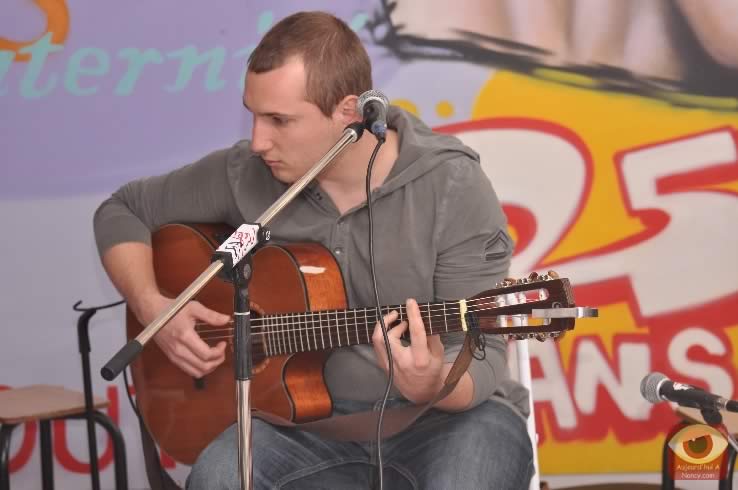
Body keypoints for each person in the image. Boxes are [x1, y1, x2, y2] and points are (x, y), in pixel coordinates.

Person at [94, 11, 532, 489]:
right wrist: (153, 307)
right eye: (253, 114)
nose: (258, 141)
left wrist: (432, 384)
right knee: (218, 478)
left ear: (348, 112)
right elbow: (123, 209)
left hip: (443, 421)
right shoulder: (247, 175)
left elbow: (483, 351)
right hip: (304, 426)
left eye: (279, 120)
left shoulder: (451, 185)